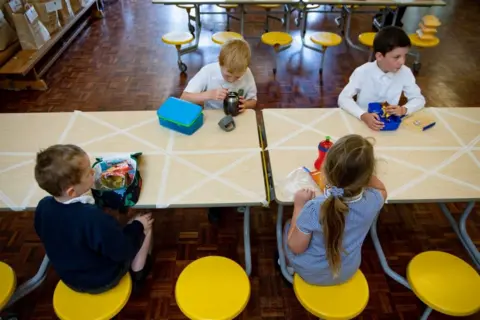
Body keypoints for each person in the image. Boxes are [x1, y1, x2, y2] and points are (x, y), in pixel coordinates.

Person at [34, 144, 154, 294]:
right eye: (88, 173)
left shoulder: (43, 206)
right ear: (71, 191)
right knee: (145, 220)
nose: (93, 172)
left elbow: (43, 232)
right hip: (102, 280)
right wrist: (138, 225)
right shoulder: (92, 218)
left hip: (69, 277)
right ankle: (138, 275)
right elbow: (123, 250)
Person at [282, 134, 387, 285]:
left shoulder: (313, 208)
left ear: (325, 171)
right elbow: (381, 189)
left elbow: (296, 247)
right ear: (367, 176)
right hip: (348, 270)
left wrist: (299, 206)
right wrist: (359, 173)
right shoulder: (374, 200)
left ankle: (287, 266)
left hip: (312, 273)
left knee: (287, 227)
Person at [338, 26, 426, 131]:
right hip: (362, 122)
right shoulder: (362, 72)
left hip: (389, 125)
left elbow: (419, 99)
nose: (402, 61)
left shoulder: (405, 72)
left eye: (404, 56)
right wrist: (362, 115)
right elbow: (343, 98)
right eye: (396, 57)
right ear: (379, 56)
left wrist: (404, 109)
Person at [180, 38, 257, 111]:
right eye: (227, 75)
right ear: (220, 63)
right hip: (212, 114)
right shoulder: (208, 71)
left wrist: (246, 104)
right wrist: (209, 95)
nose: (231, 80)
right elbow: (184, 97)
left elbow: (253, 101)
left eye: (237, 77)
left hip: (237, 114)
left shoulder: (247, 72)